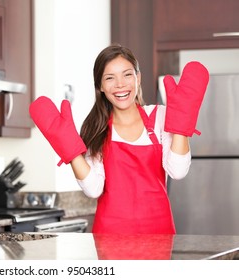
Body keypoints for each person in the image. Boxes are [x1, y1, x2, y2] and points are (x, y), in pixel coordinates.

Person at [29, 44, 209, 234]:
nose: (120, 84)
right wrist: (71, 152)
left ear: (138, 78)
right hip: (110, 236)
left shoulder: (160, 117)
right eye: (110, 78)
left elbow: (178, 171)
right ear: (100, 86)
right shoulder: (95, 128)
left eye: (127, 75)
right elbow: (93, 189)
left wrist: (181, 124)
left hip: (159, 234)